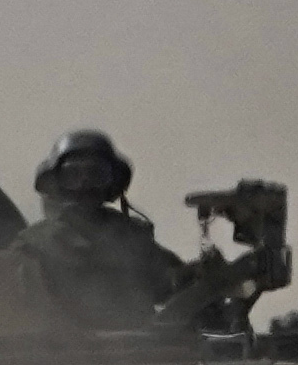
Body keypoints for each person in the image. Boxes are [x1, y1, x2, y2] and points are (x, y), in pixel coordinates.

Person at [12, 130, 185, 336]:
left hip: (143, 352)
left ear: (111, 181)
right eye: (74, 175)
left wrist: (195, 277)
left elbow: (170, 286)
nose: (85, 184)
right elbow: (23, 308)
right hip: (65, 356)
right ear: (57, 182)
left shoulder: (134, 237)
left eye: (97, 175)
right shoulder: (34, 245)